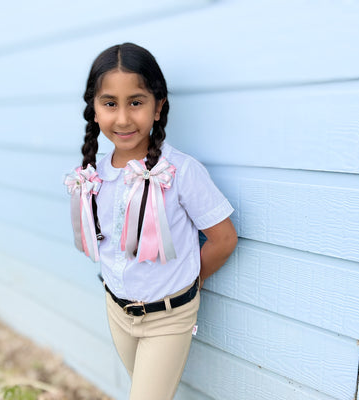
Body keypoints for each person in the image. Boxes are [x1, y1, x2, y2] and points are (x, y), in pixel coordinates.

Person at [65, 42, 238, 400]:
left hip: (168, 316)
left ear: (158, 107)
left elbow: (223, 239)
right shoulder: (93, 175)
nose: (124, 118)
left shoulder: (181, 173)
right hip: (117, 310)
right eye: (110, 103)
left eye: (136, 102)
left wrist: (188, 281)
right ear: (94, 110)